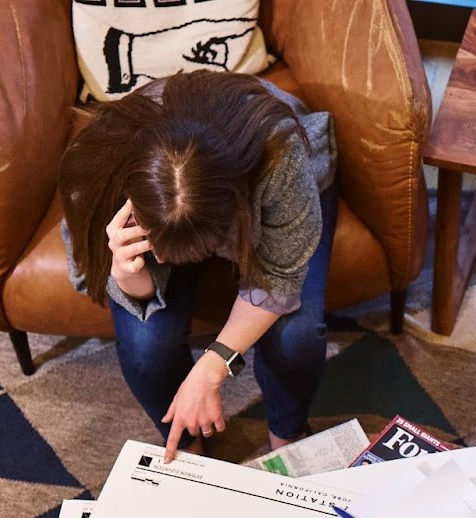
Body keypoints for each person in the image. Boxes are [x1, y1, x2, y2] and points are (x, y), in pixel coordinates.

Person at [58, 70, 337, 462]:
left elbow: (280, 276)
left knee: (297, 335)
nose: (175, 262)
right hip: (163, 190)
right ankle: (185, 445)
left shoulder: (279, 156)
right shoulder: (94, 167)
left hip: (266, 184)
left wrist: (213, 365)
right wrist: (126, 272)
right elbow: (93, 275)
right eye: (164, 248)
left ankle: (287, 435)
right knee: (144, 346)